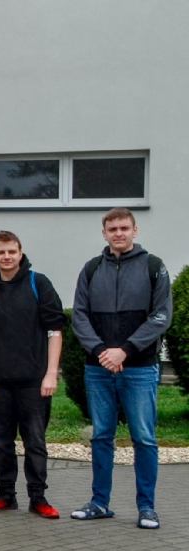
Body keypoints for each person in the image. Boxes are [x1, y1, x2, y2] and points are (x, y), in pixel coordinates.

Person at [70, 208, 171, 530]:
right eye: (112, 229)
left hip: (139, 368)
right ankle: (99, 503)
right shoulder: (91, 269)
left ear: (134, 230)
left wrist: (125, 350)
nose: (118, 233)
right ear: (104, 233)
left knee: (144, 438)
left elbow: (161, 316)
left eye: (124, 228)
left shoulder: (153, 266)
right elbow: (79, 316)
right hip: (98, 368)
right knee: (101, 436)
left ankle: (147, 508)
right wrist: (101, 351)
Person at [0, 231, 64, 519]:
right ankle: (5, 495)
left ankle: (38, 498)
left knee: (35, 442)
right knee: (1, 443)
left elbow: (55, 331)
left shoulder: (39, 283)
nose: (7, 257)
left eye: (12, 251)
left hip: (34, 382)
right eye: (1, 252)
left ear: (21, 253)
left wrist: (51, 374)